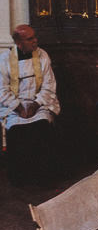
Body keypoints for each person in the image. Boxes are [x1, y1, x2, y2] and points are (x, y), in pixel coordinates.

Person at [2, 24, 60, 184]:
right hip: (15, 106)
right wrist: (19, 108)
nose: (35, 41)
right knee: (17, 131)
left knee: (41, 126)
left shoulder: (42, 55)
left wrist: (35, 105)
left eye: (35, 37)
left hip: (39, 103)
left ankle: (44, 178)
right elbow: (2, 89)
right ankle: (21, 179)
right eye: (30, 39)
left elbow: (49, 85)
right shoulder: (4, 60)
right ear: (19, 43)